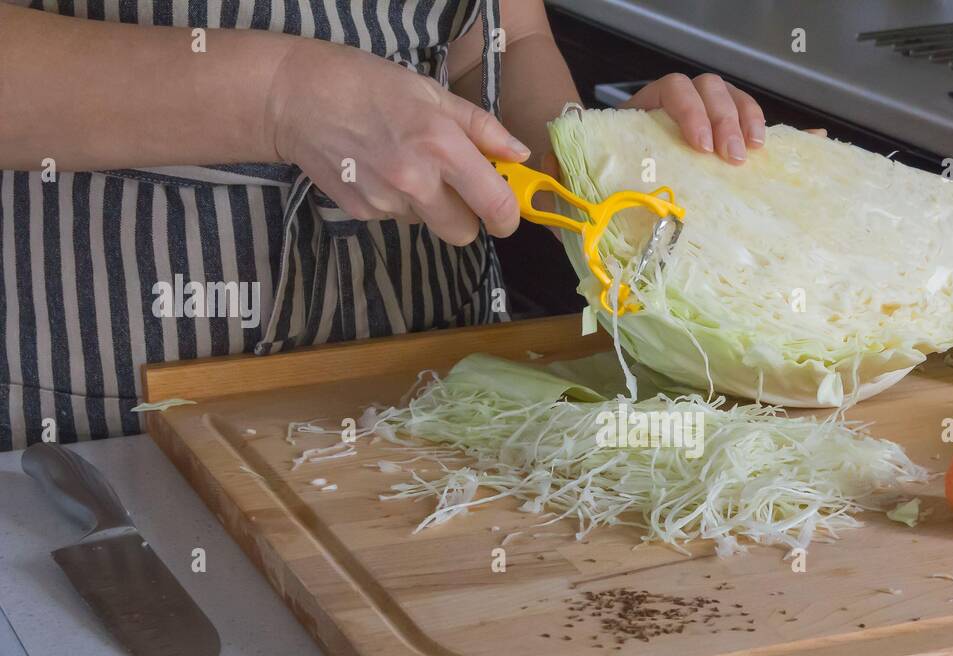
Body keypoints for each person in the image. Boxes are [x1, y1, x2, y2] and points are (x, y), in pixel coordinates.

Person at [0, 0, 767, 450]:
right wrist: (279, 96)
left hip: (432, 393)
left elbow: (499, 41)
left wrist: (593, 164)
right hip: (101, 418)